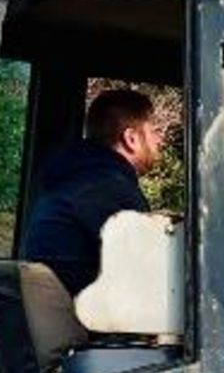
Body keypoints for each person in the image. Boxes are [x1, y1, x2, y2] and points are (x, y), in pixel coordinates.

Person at [23, 87, 162, 294]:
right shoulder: (111, 189)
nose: (160, 140)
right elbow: (152, 275)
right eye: (153, 131)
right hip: (87, 322)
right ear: (131, 138)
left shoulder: (67, 182)